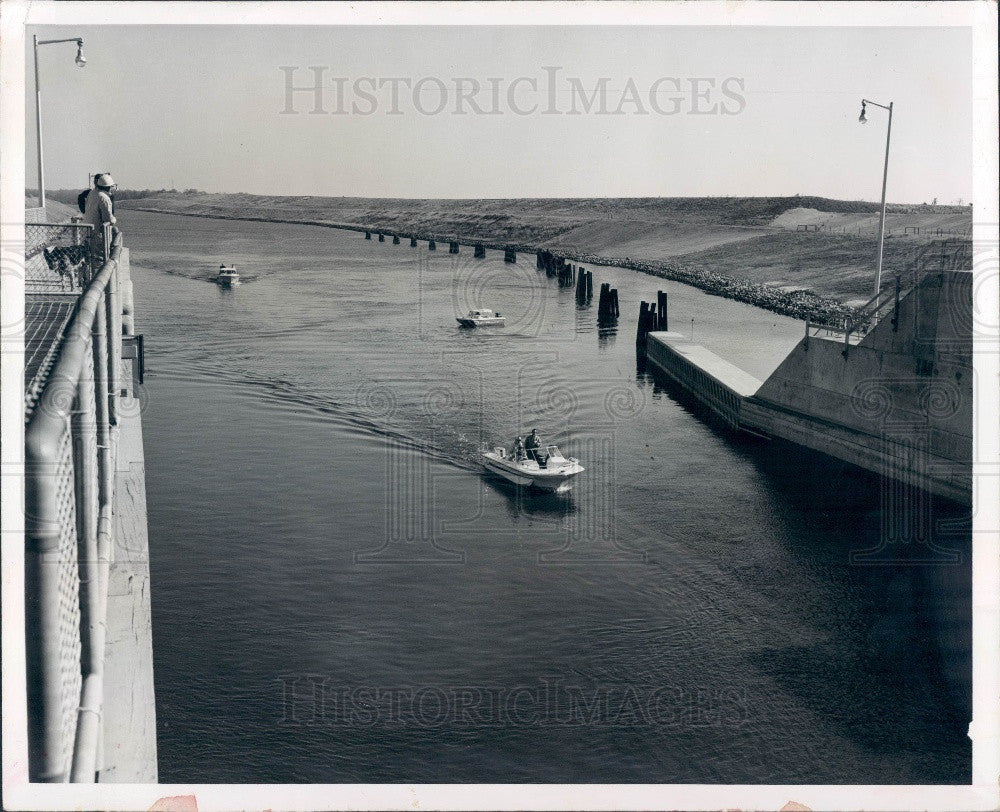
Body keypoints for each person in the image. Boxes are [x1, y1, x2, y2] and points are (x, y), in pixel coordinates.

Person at [83, 173, 118, 263]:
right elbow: (108, 219)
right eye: (111, 187)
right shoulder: (104, 198)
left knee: (90, 260)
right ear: (108, 187)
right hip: (98, 234)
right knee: (100, 260)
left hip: (87, 232)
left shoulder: (92, 193)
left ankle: (89, 276)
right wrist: (114, 219)